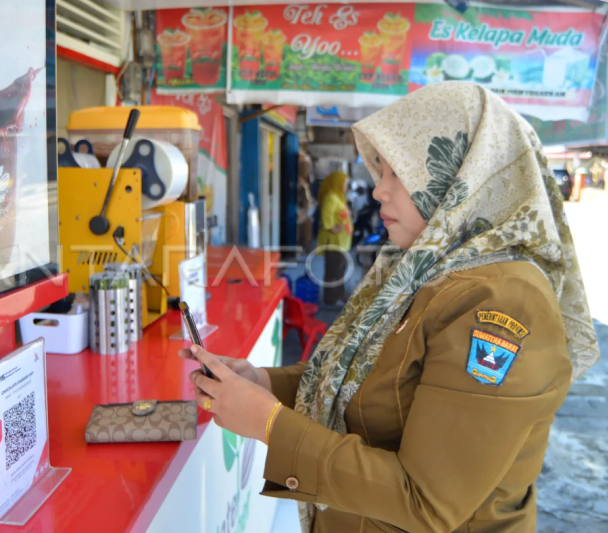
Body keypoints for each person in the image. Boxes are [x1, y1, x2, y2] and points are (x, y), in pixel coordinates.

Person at [178, 82, 600, 533]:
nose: (379, 191)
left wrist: (269, 424)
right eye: (380, 172)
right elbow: (362, 376)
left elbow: (426, 502)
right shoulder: (422, 269)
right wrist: (262, 381)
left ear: (461, 173)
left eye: (397, 172)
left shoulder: (500, 301)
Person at [316, 170, 353, 304]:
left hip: (341, 242)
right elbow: (326, 215)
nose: (346, 186)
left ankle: (340, 294)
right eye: (344, 183)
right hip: (333, 241)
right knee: (333, 270)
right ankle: (330, 299)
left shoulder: (338, 196)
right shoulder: (330, 197)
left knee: (340, 268)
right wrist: (332, 227)